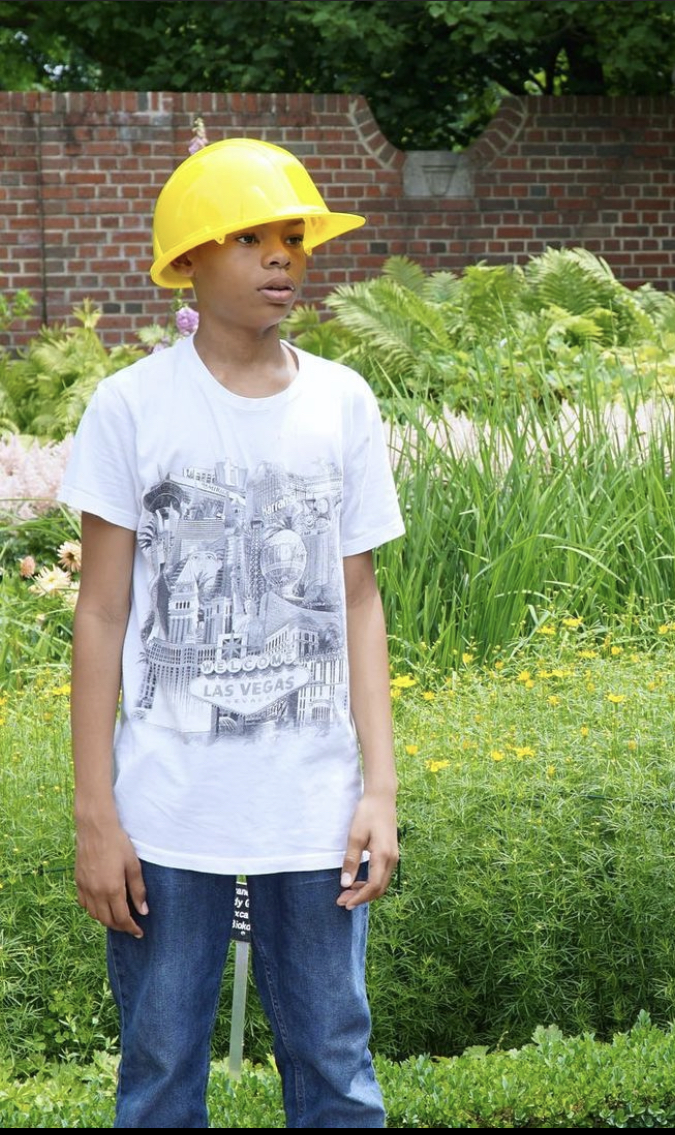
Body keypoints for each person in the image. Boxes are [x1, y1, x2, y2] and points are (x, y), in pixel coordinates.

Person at [58, 137, 404, 1127]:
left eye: (291, 236)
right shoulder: (131, 409)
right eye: (249, 237)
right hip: (166, 814)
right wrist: (96, 813)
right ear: (189, 263)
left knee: (337, 1072)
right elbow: (102, 613)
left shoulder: (342, 402)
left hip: (316, 809)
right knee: (161, 1072)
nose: (279, 256)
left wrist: (379, 787)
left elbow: (360, 600)